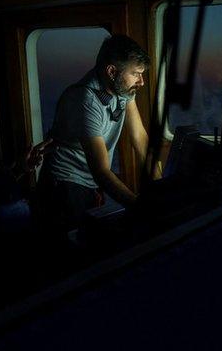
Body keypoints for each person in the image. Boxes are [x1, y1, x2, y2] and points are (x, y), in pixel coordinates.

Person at [36, 34, 158, 235]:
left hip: (90, 182)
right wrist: (140, 206)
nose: (141, 82)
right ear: (112, 71)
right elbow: (101, 171)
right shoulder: (85, 101)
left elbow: (140, 138)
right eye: (136, 74)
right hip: (65, 186)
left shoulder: (124, 90)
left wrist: (160, 187)